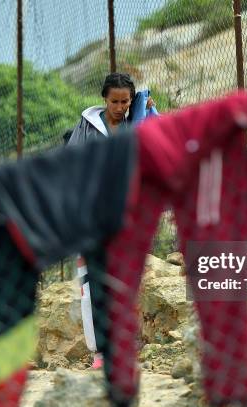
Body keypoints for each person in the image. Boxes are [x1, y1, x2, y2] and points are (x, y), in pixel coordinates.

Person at [68, 72, 156, 369]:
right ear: (104, 99)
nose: (120, 107)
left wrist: (149, 111)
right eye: (115, 101)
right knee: (91, 285)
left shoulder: (138, 121)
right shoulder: (88, 126)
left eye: (125, 101)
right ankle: (99, 352)